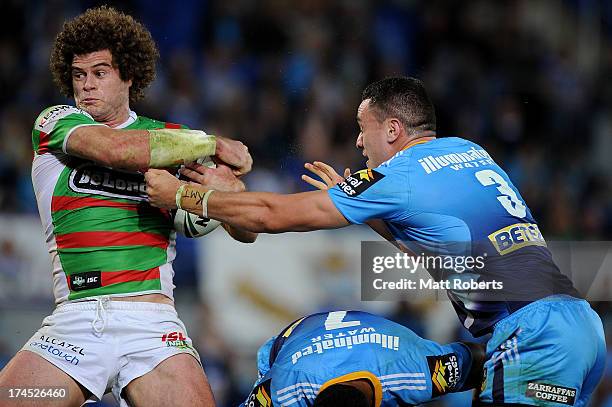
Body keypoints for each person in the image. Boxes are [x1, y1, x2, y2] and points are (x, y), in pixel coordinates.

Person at [146, 77, 606, 406]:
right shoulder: (469, 151)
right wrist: (368, 210)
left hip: (531, 334)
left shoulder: (398, 176)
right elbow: (437, 243)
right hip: (582, 327)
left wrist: (186, 195)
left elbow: (272, 214)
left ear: (392, 130)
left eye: (363, 129)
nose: (358, 142)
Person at [0, 6, 255, 407]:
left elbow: (247, 229)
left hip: (152, 329)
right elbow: (115, 149)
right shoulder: (56, 123)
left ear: (129, 76)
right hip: (74, 325)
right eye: (78, 75)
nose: (86, 85)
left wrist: (225, 197)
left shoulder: (173, 140)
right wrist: (215, 144)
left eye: (100, 73)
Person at [240, 310, 485, 407]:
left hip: (385, 345)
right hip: (290, 344)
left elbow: (484, 361)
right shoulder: (284, 390)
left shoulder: (417, 372)